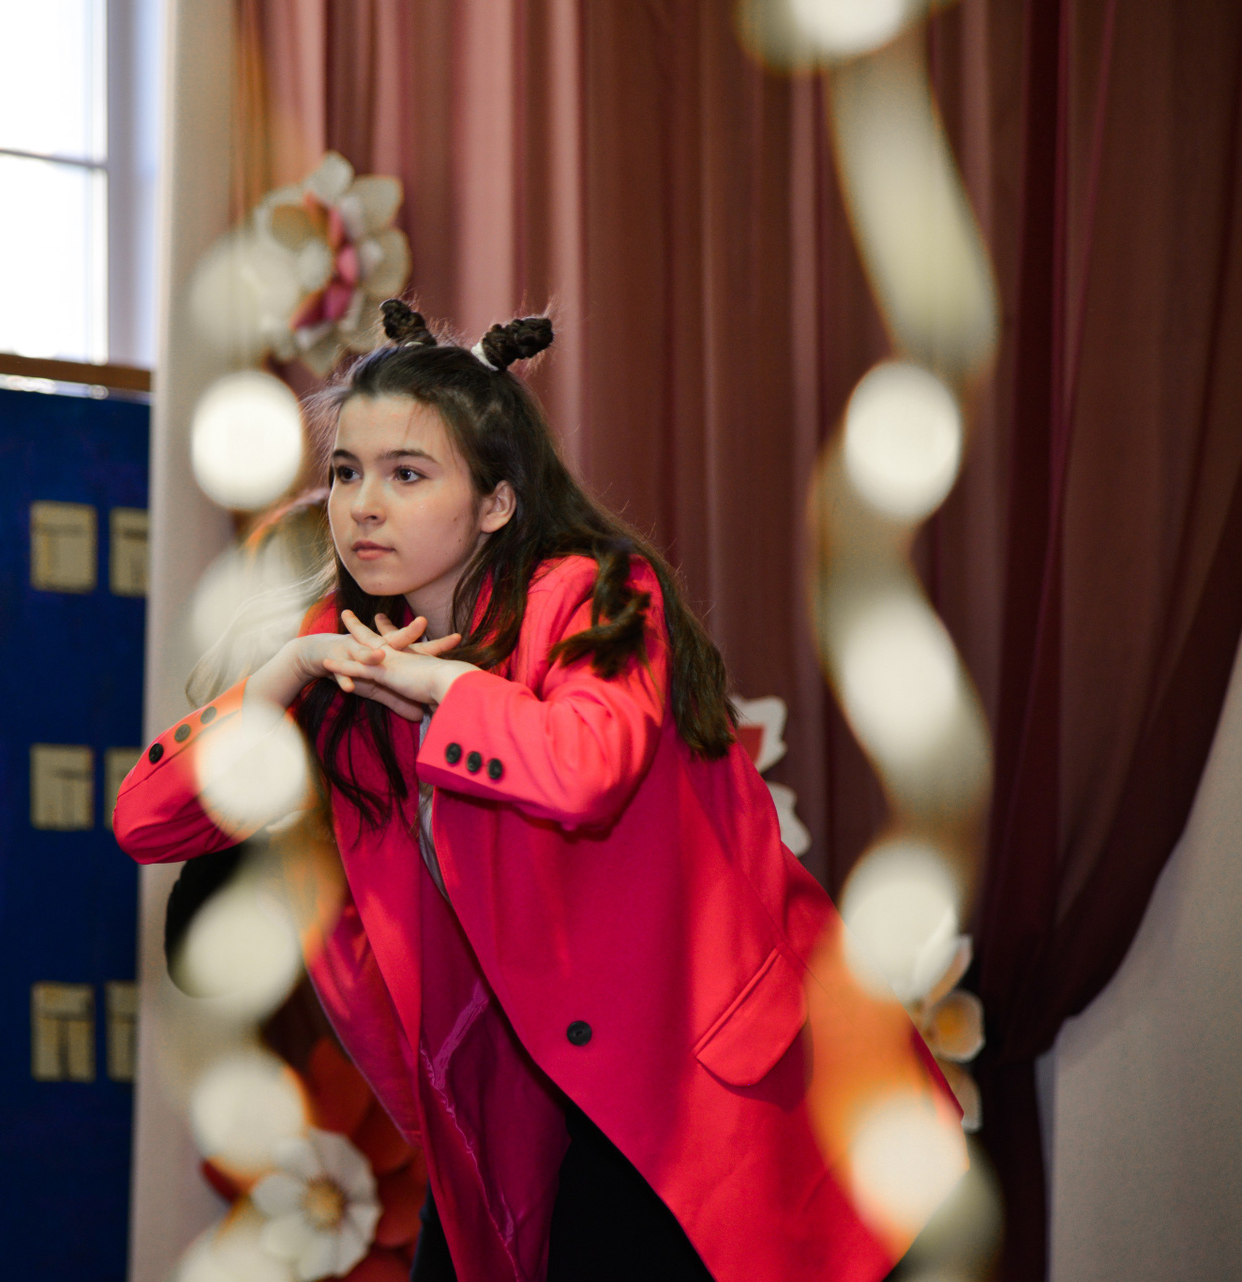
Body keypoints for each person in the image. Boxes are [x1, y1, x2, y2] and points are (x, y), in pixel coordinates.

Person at [115, 300, 962, 1282]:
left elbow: (584, 766)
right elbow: (148, 821)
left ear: (497, 503)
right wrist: (285, 673)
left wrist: (444, 688)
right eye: (345, 472)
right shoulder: (339, 651)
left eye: (406, 474)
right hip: (521, 1117)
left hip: (718, 1089)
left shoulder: (595, 590)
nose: (363, 506)